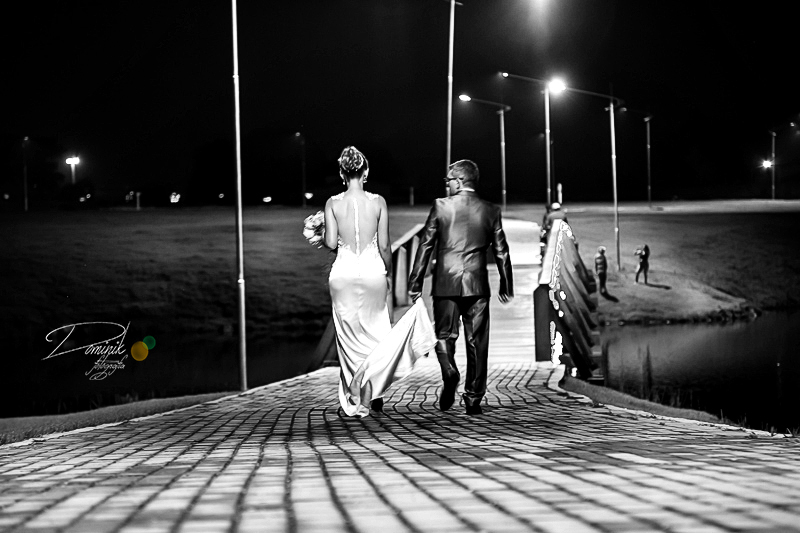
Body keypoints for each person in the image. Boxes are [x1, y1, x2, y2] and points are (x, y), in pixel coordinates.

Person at [324, 146, 436, 417]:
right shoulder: (378, 202)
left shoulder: (332, 203)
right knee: (377, 333)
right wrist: (386, 273)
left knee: (349, 336)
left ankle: (354, 393)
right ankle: (373, 392)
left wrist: (323, 233)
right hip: (373, 271)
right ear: (366, 172)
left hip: (343, 274)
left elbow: (330, 243)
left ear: (341, 173)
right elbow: (385, 245)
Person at [408, 160, 514, 416]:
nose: (446, 184)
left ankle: (449, 371)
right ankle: (473, 398)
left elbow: (425, 246)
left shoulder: (441, 207)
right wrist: (506, 282)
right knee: (477, 341)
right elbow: (501, 250)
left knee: (444, 335)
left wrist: (415, 283)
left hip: (445, 282)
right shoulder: (490, 210)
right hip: (477, 285)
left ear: (460, 180)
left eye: (448, 180)